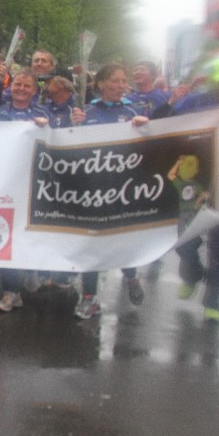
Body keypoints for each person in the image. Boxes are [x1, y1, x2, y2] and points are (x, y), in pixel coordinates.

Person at [153, 57, 219, 321]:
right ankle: (193, 273)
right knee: (184, 239)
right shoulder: (195, 101)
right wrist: (174, 99)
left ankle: (213, 303)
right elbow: (165, 124)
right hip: (193, 183)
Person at [69, 62, 150, 319]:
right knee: (92, 241)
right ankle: (89, 297)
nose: (121, 85)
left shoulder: (133, 111)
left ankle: (131, 276)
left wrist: (145, 127)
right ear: (101, 84)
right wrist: (73, 125)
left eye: (124, 81)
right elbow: (70, 145)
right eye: (115, 80)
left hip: (123, 189)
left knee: (122, 239)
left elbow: (149, 146)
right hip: (93, 188)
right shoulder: (87, 112)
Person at [0, 69, 52, 313]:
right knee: (6, 235)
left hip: (35, 184)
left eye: (27, 85)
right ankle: (11, 292)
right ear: (11, 87)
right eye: (18, 84)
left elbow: (59, 145)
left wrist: (47, 130)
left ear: (34, 90)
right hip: (6, 184)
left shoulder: (44, 115)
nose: (21, 89)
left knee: (31, 235)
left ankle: (33, 270)